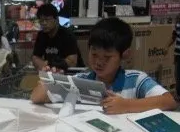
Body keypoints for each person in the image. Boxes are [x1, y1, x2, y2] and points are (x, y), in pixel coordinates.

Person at [31, 17, 177, 114]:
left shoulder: (136, 80)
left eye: (107, 57)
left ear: (124, 54)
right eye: (94, 54)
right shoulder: (80, 81)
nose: (99, 62)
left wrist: (126, 105)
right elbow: (36, 98)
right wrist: (47, 81)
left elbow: (169, 101)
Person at [32, 3, 83, 72]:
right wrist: (44, 66)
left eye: (47, 20)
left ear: (56, 19)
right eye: (41, 20)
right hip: (52, 73)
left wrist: (52, 65)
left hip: (73, 73)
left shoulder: (67, 35)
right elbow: (35, 57)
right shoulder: (41, 35)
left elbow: (72, 62)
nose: (44, 23)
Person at [167, 14, 180, 99]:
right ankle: (178, 94)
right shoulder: (177, 25)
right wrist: (166, 46)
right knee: (177, 74)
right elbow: (173, 37)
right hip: (178, 54)